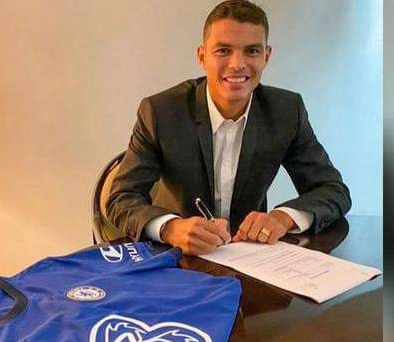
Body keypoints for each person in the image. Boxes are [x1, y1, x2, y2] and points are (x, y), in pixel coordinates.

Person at [107, 0, 351, 256]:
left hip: (251, 259)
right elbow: (121, 198)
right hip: (176, 258)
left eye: (252, 51)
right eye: (223, 50)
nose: (237, 64)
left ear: (266, 56)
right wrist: (170, 228)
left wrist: (282, 218)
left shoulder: (287, 112)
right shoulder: (161, 111)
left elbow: (334, 191)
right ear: (202, 56)